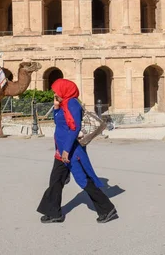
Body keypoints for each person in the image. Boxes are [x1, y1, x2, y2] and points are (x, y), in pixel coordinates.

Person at [37, 78, 117, 224]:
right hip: (60, 150)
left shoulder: (73, 104)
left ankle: (107, 209)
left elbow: (74, 128)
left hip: (70, 151)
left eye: (57, 91)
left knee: (83, 181)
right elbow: (59, 123)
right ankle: (54, 213)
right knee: (55, 181)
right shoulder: (62, 104)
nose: (54, 93)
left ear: (65, 90)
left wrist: (67, 150)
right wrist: (55, 108)